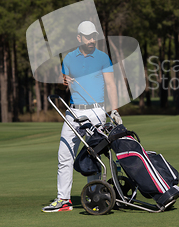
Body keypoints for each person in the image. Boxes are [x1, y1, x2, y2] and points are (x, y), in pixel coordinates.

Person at [42, 20, 122, 212]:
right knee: (64, 155)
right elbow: (65, 83)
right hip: (73, 111)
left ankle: (94, 198)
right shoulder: (69, 58)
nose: (91, 40)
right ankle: (64, 200)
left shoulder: (103, 58)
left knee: (93, 156)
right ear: (79, 38)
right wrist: (63, 81)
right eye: (87, 37)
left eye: (93, 36)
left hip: (96, 112)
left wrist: (115, 110)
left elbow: (111, 85)